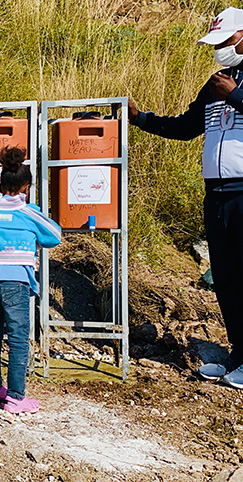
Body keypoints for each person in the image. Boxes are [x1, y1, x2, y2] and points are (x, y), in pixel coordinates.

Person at [128, 7, 243, 388]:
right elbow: (185, 127)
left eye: (224, 42)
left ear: (242, 37)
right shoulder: (215, 84)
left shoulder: (231, 86)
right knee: (227, 279)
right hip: (217, 195)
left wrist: (237, 95)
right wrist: (142, 118)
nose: (219, 51)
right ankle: (237, 357)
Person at [0, 147, 61, 414]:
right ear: (26, 187)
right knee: (19, 337)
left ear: (0, 184)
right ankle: (15, 397)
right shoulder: (28, 212)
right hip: (16, 281)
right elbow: (54, 236)